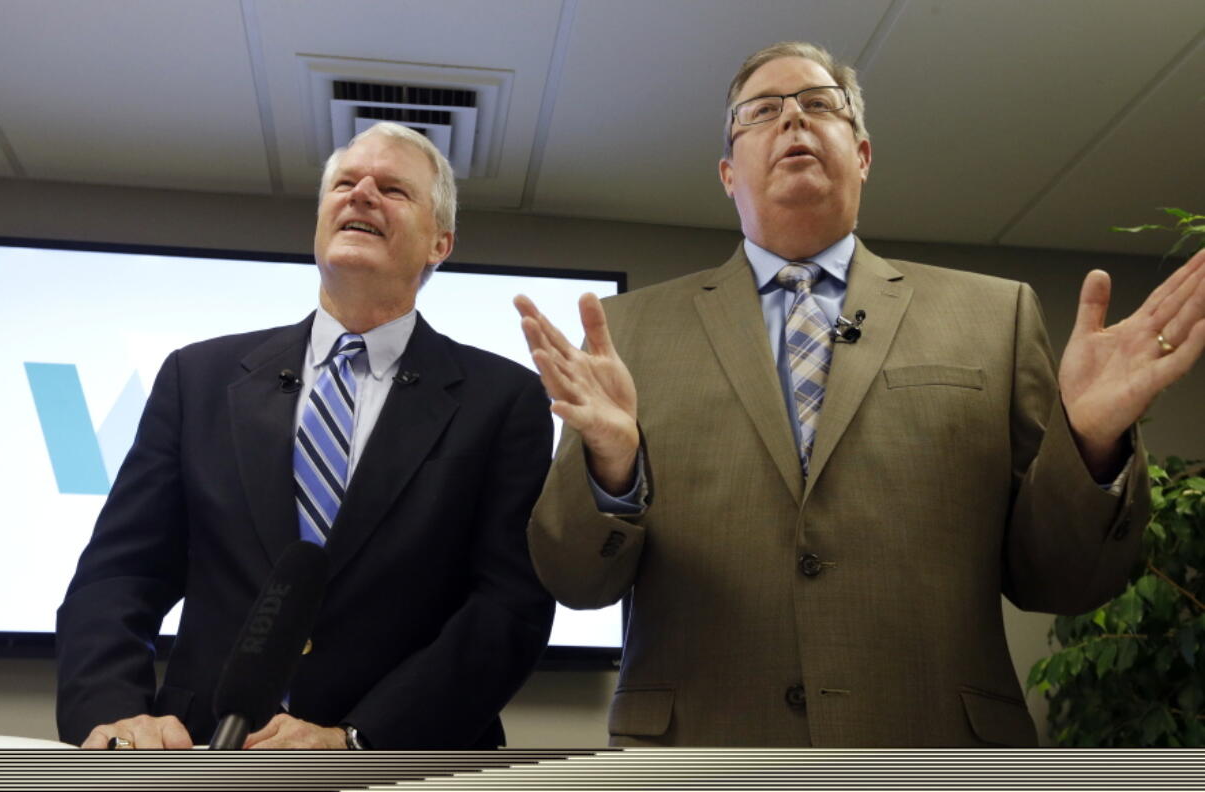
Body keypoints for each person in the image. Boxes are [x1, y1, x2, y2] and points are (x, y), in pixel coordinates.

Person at [516, 41, 1205, 746]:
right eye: (762, 111)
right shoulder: (627, 331)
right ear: (728, 173)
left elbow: (1059, 581)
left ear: (863, 155)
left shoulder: (996, 317)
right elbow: (577, 580)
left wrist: (1089, 447)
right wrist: (610, 467)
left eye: (819, 105)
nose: (793, 121)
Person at [56, 122, 556, 750]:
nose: (362, 194)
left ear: (440, 242)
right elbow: (118, 575)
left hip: (399, 763)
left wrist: (356, 739)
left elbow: (508, 608)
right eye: (345, 183)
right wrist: (112, 712)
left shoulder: (503, 399)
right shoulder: (199, 379)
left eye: (394, 189)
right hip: (202, 754)